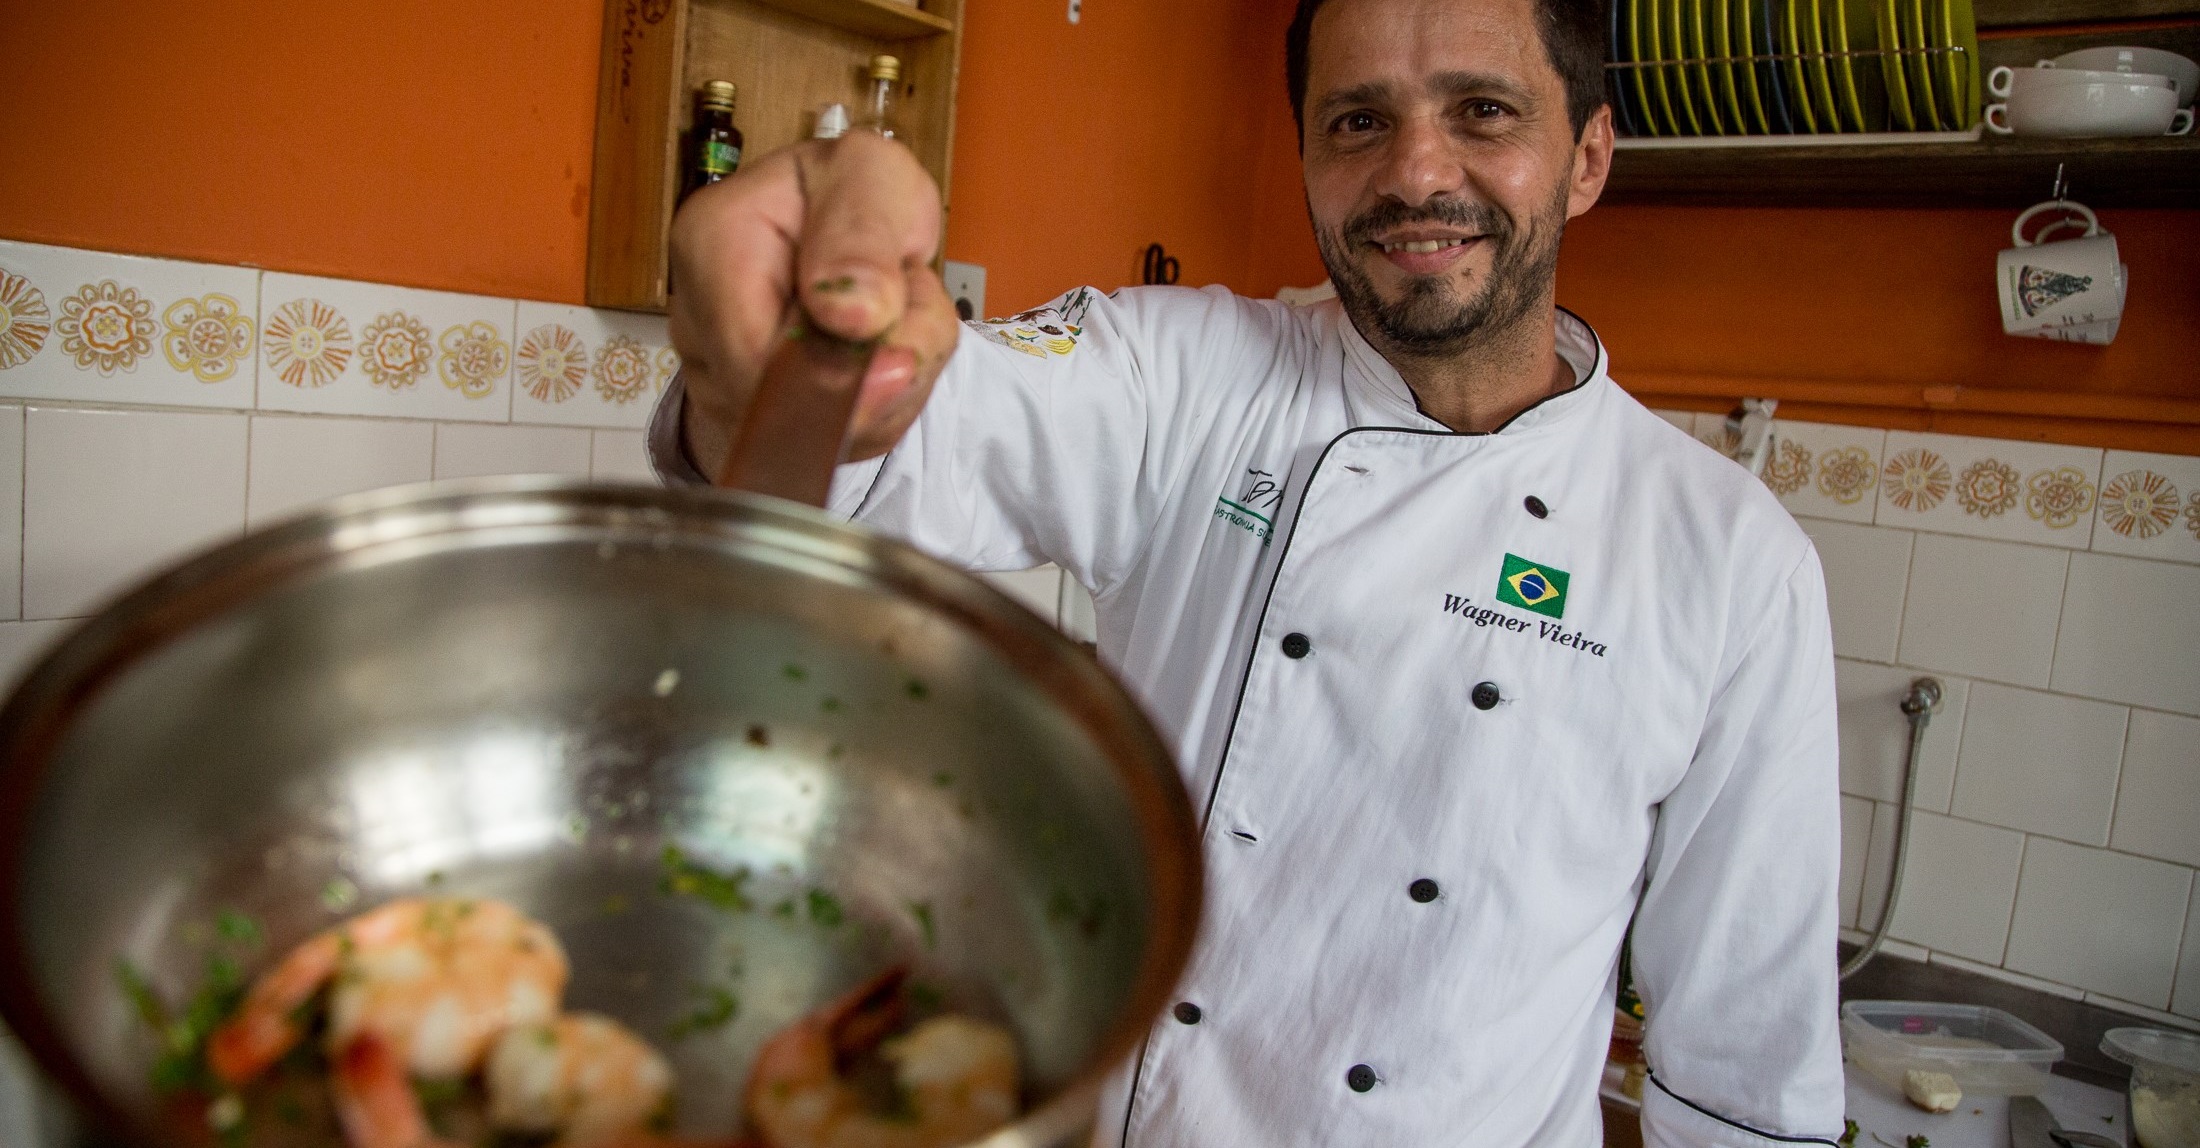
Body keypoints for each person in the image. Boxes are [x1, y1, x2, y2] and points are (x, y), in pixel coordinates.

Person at [650, 0, 1848, 1142]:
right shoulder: (1186, 376)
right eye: (1356, 119)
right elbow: (905, 446)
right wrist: (775, 373)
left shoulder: (1729, 559)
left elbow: (1745, 1057)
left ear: (1587, 156)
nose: (1415, 175)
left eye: (1482, 111)